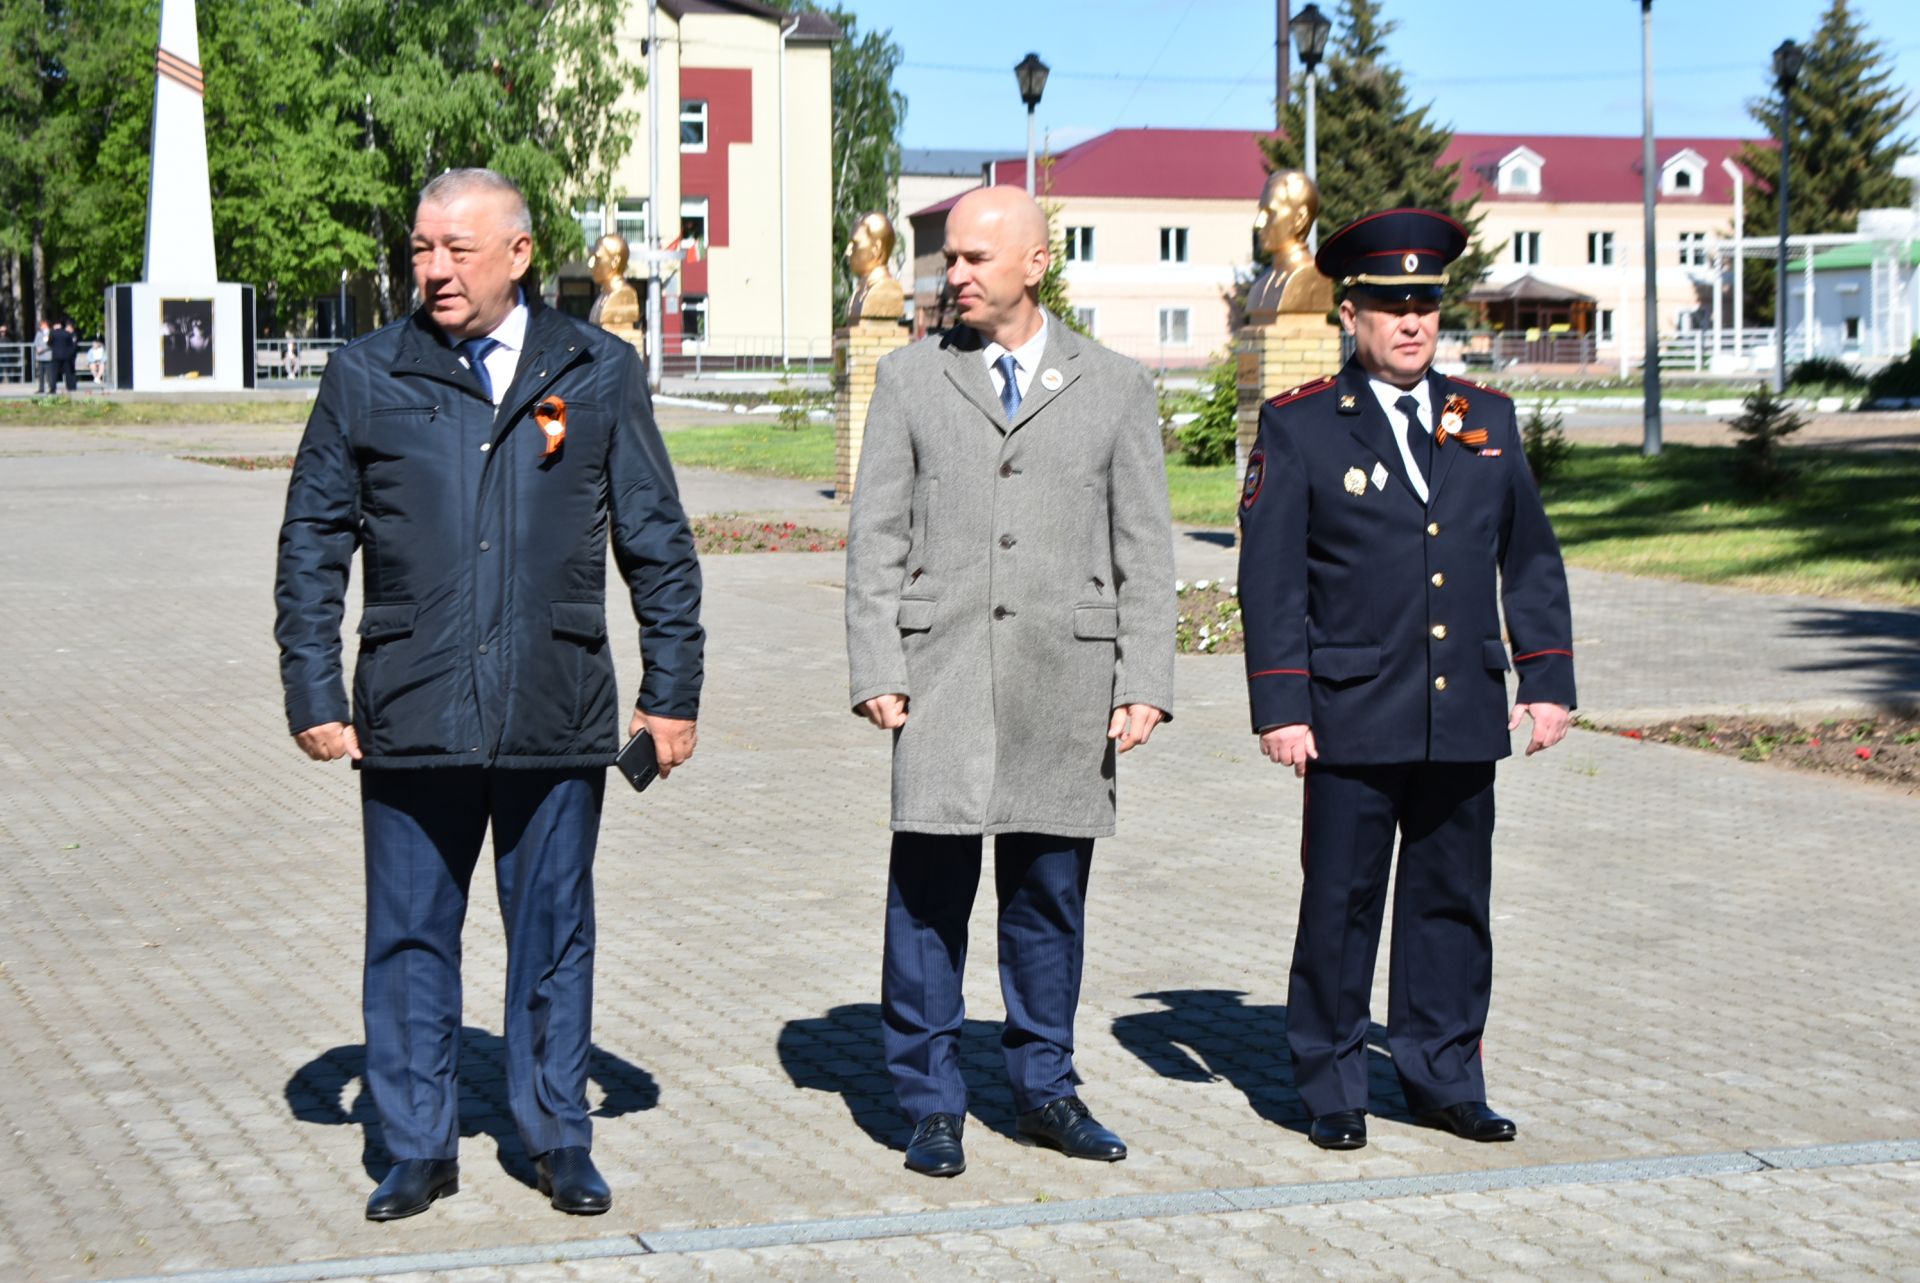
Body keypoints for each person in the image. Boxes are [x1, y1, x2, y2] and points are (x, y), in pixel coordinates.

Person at [274, 168, 704, 1221]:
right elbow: (313, 539)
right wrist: (311, 684)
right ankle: (418, 1146)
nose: (431, 269)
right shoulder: (368, 372)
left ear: (518, 254)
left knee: (554, 934)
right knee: (412, 934)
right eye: (422, 248)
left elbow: (656, 537)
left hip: (555, 705)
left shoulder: (595, 370)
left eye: (454, 249)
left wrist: (672, 690)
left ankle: (557, 1133)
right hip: (411, 704)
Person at [844, 185, 1176, 1179]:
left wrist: (1145, 675)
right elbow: (875, 536)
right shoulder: (909, 381)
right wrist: (876, 661)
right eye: (949, 259)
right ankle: (933, 1100)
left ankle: (1044, 1087)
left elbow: (1145, 547)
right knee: (926, 900)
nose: (955, 275)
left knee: (1047, 896)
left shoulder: (1115, 385)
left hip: (1063, 680)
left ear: (1036, 263)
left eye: (976, 259)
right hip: (938, 675)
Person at [1238, 208, 1575, 1153]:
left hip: (1463, 706)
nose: (1413, 321)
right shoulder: (1303, 425)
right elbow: (1270, 580)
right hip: (1351, 711)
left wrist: (1546, 680)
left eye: (1425, 303)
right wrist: (1282, 704)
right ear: (1352, 314)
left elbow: (1531, 559)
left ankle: (1443, 1075)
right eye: (1391, 305)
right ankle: (1333, 1083)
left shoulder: (1486, 420)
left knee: (1452, 903)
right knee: (1341, 902)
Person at [48, 319, 78, 394]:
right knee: (68, 372)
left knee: (54, 372)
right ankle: (70, 387)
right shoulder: (67, 334)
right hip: (66, 356)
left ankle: (53, 388)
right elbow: (70, 344)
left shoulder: (53, 333)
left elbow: (49, 343)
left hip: (56, 355)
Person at [33, 319, 53, 394]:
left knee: (49, 374)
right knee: (40, 374)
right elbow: (35, 342)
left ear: (46, 325)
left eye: (42, 324)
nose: (41, 326)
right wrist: (38, 348)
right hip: (40, 357)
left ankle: (51, 388)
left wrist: (43, 348)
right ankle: (41, 388)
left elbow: (51, 344)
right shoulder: (39, 333)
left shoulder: (50, 332)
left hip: (48, 357)